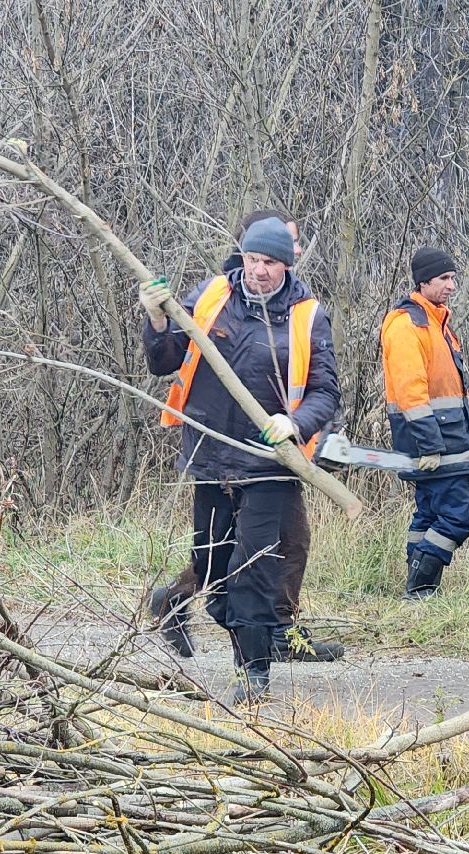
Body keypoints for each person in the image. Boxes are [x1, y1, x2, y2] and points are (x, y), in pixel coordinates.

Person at [139, 216, 340, 703]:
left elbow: (325, 392)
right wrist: (158, 320)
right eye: (253, 260)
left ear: (286, 265)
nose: (259, 270)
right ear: (242, 256)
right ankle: (241, 630)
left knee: (255, 570)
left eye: (270, 262)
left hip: (269, 464)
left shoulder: (307, 316)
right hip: (209, 457)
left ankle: (254, 674)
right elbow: (164, 361)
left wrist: (295, 423)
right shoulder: (210, 297)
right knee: (212, 571)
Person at [379, 246, 469, 598]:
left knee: (428, 514)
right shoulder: (409, 326)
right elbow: (412, 392)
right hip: (435, 444)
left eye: (453, 278)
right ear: (423, 281)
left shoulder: (437, 323)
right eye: (444, 278)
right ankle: (421, 588)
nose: (452, 285)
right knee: (458, 518)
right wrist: (431, 446)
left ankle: (417, 590)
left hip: (446, 440)